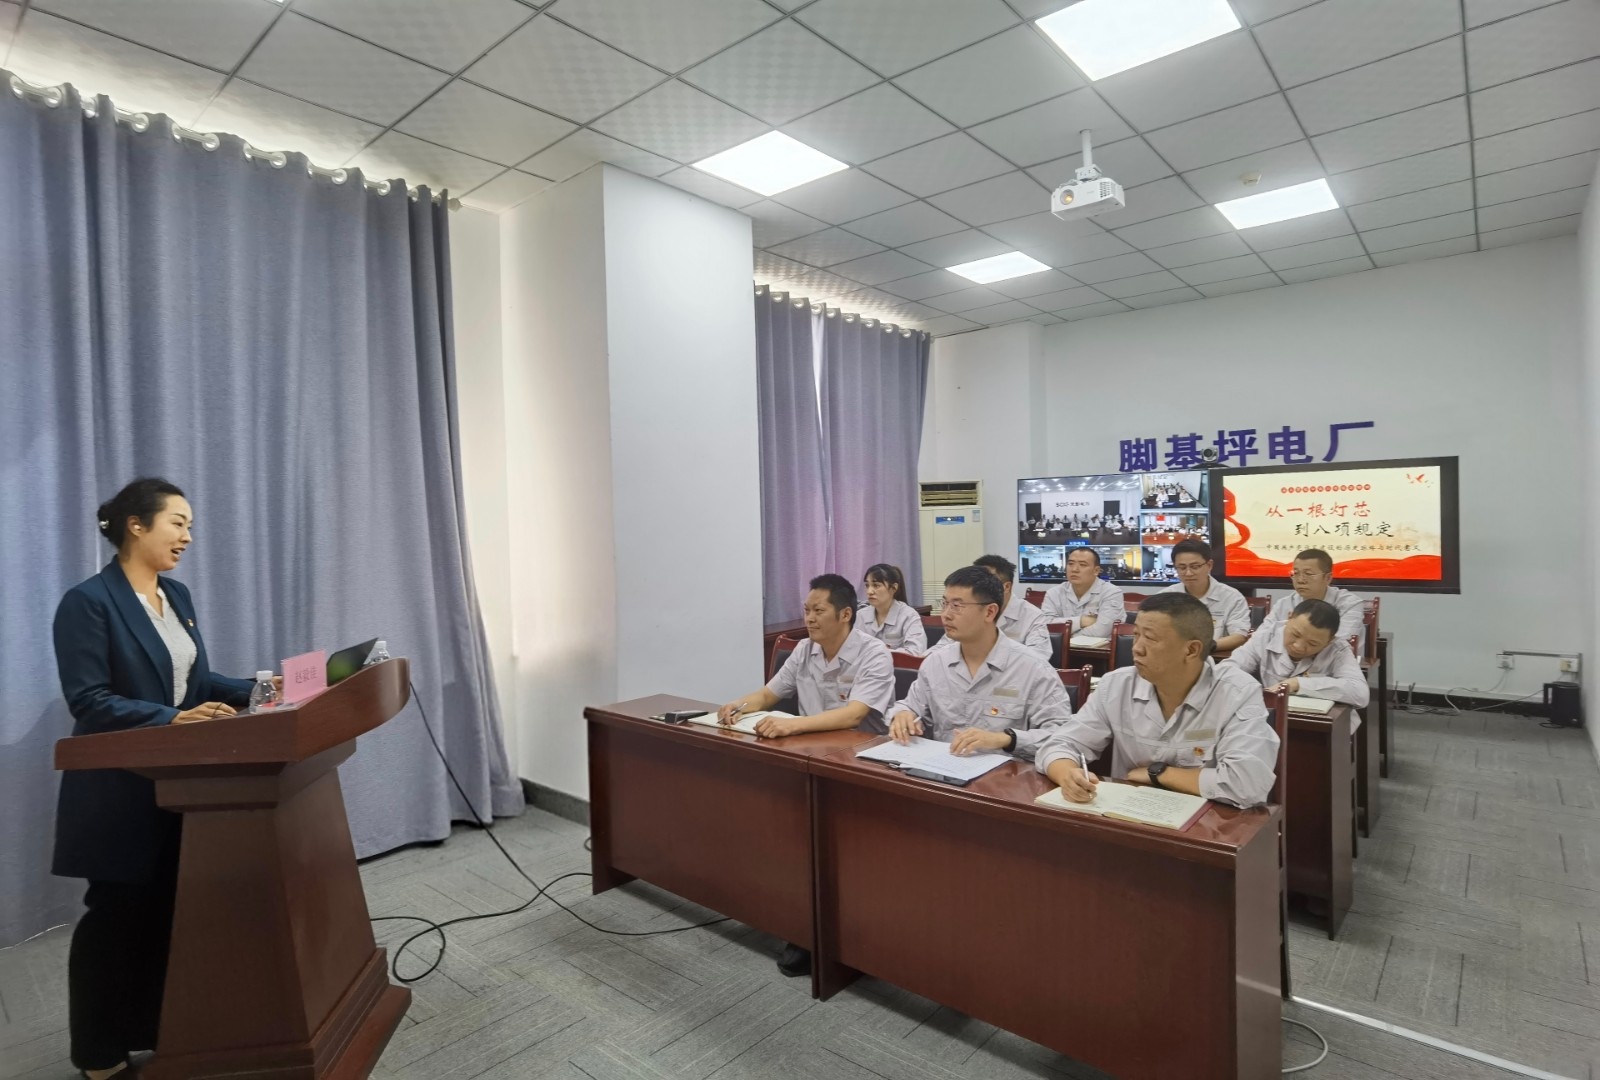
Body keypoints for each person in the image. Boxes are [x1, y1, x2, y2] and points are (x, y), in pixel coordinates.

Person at [53, 479, 260, 1080]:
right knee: (115, 916)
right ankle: (98, 1056)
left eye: (190, 525)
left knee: (165, 909)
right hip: (117, 787)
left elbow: (196, 682)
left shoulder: (177, 594)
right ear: (136, 526)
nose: (188, 536)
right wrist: (172, 718)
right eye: (177, 522)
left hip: (178, 784)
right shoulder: (88, 602)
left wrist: (266, 689)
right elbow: (89, 699)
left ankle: (147, 1029)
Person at [718, 573, 892, 979]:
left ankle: (836, 935)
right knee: (775, 826)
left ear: (845, 614)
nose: (809, 618)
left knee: (828, 844)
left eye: (818, 611)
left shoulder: (873, 653)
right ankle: (797, 923)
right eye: (806, 610)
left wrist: (792, 724)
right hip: (808, 755)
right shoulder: (803, 649)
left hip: (860, 762)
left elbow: (853, 716)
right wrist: (739, 704)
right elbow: (769, 695)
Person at [1035, 592, 1281, 808]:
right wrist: (1068, 774)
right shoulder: (1116, 685)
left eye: (1150, 639)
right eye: (1136, 635)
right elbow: (1059, 745)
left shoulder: (1237, 692)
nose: (1137, 648)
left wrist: (1158, 774)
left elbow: (1248, 784)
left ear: (1191, 650)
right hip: (1128, 816)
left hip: (1209, 824)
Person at [886, 567, 1072, 760]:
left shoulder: (1032, 668)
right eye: (945, 603)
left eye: (957, 606)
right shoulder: (935, 662)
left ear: (990, 612)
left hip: (1005, 774)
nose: (945, 614)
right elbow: (910, 706)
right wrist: (903, 714)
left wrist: (1006, 739)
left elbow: (1061, 735)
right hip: (943, 767)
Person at [1224, 599, 1370, 707]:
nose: (1299, 647)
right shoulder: (1266, 636)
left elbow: (1360, 693)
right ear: (1289, 617)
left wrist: (1297, 684)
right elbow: (1228, 670)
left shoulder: (1338, 649)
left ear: (1329, 640)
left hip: (1321, 723)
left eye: (1312, 644)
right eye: (1295, 634)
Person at [1161, 539, 1250, 652]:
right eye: (1182, 568)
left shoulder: (1232, 597)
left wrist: (1204, 648)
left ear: (1209, 565)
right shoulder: (1165, 597)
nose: (1188, 573)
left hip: (1214, 656)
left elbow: (1239, 636)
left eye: (1195, 567)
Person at [1267, 549, 1367, 643]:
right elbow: (1263, 637)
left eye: (1308, 574)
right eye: (1296, 573)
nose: (1300, 580)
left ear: (1328, 578)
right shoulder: (1284, 604)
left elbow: (1340, 643)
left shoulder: (1349, 604)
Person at [971, 554, 1052, 661]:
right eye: (976, 584)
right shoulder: (968, 610)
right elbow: (948, 648)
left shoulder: (1032, 616)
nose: (978, 590)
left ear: (1006, 587)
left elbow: (1039, 659)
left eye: (986, 584)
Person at [1040, 547, 1123, 638]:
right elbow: (1043, 625)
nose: (1074, 569)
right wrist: (1081, 621)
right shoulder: (1054, 593)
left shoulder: (1111, 592)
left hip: (1097, 647)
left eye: (1082, 565)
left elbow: (1102, 631)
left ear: (1096, 571)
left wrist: (1063, 637)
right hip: (1058, 647)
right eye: (1070, 564)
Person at [856, 563, 927, 656]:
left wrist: (880, 651)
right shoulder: (860, 615)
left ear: (894, 588)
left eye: (876, 585)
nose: (869, 591)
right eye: (867, 585)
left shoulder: (909, 616)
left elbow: (916, 652)